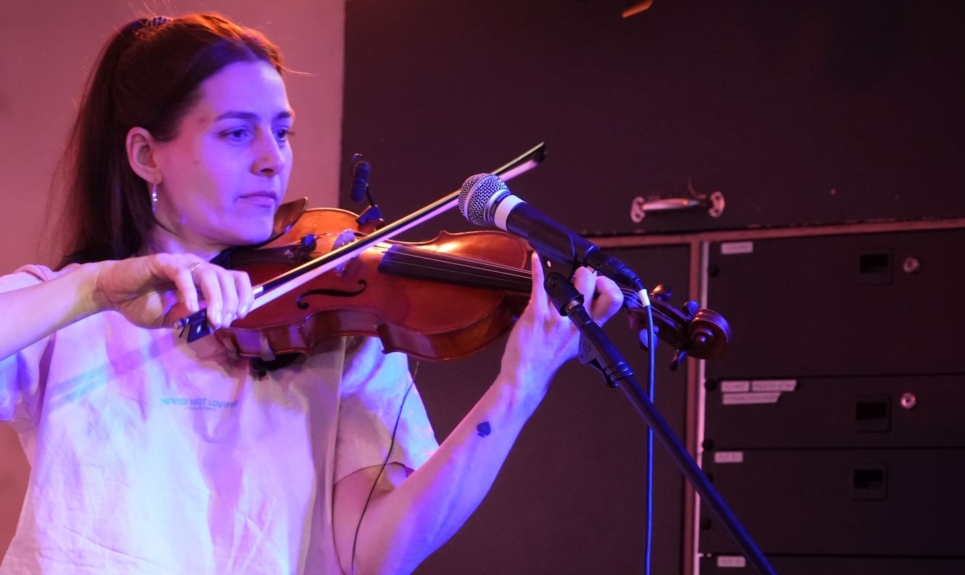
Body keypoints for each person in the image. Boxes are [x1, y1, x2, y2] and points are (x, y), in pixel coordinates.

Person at [0, 13, 621, 575]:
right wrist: (93, 285)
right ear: (145, 155)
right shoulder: (62, 310)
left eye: (282, 132)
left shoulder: (342, 326)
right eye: (237, 134)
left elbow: (375, 554)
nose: (273, 160)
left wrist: (518, 389)